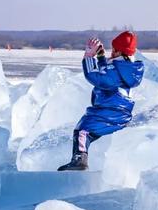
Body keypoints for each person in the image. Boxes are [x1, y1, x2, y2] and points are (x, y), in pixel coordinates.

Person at [57, 31, 144, 171]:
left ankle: (79, 160)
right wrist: (101, 57)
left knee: (82, 131)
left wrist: (89, 57)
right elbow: (107, 71)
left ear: (119, 51)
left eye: (114, 50)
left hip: (109, 111)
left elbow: (96, 77)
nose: (112, 52)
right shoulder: (126, 69)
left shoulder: (115, 70)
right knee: (90, 132)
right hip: (120, 111)